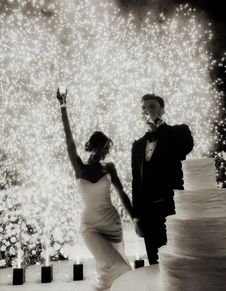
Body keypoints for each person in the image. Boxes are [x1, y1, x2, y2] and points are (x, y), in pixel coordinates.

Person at [57, 88, 132, 290]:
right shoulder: (78, 166)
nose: (103, 153)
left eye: (106, 150)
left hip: (113, 225)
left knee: (114, 275)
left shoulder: (110, 168)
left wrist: (136, 219)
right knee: (119, 267)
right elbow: (68, 139)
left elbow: (122, 193)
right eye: (100, 148)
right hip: (90, 226)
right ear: (91, 147)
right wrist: (63, 106)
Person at [131, 94, 194, 265]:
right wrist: (136, 217)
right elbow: (136, 182)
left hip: (172, 208)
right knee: (155, 261)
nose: (147, 111)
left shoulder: (178, 133)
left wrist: (159, 126)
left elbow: (186, 146)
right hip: (148, 214)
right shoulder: (137, 145)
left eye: (151, 106)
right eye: (143, 108)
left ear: (162, 110)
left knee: (177, 260)